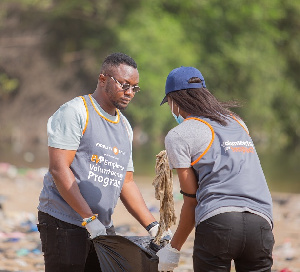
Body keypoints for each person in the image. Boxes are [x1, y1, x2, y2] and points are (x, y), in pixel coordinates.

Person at [37, 52, 161, 272]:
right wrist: (88, 219)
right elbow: (59, 168)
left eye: (135, 87)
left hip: (101, 228)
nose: (130, 93)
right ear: (103, 80)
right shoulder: (76, 111)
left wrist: (153, 226)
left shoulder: (124, 127)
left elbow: (127, 182)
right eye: (124, 85)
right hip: (64, 223)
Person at [156, 66, 275, 272]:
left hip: (219, 225)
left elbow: (191, 201)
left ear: (175, 100)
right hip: (261, 223)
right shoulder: (237, 122)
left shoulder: (179, 135)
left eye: (169, 103)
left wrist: (173, 250)